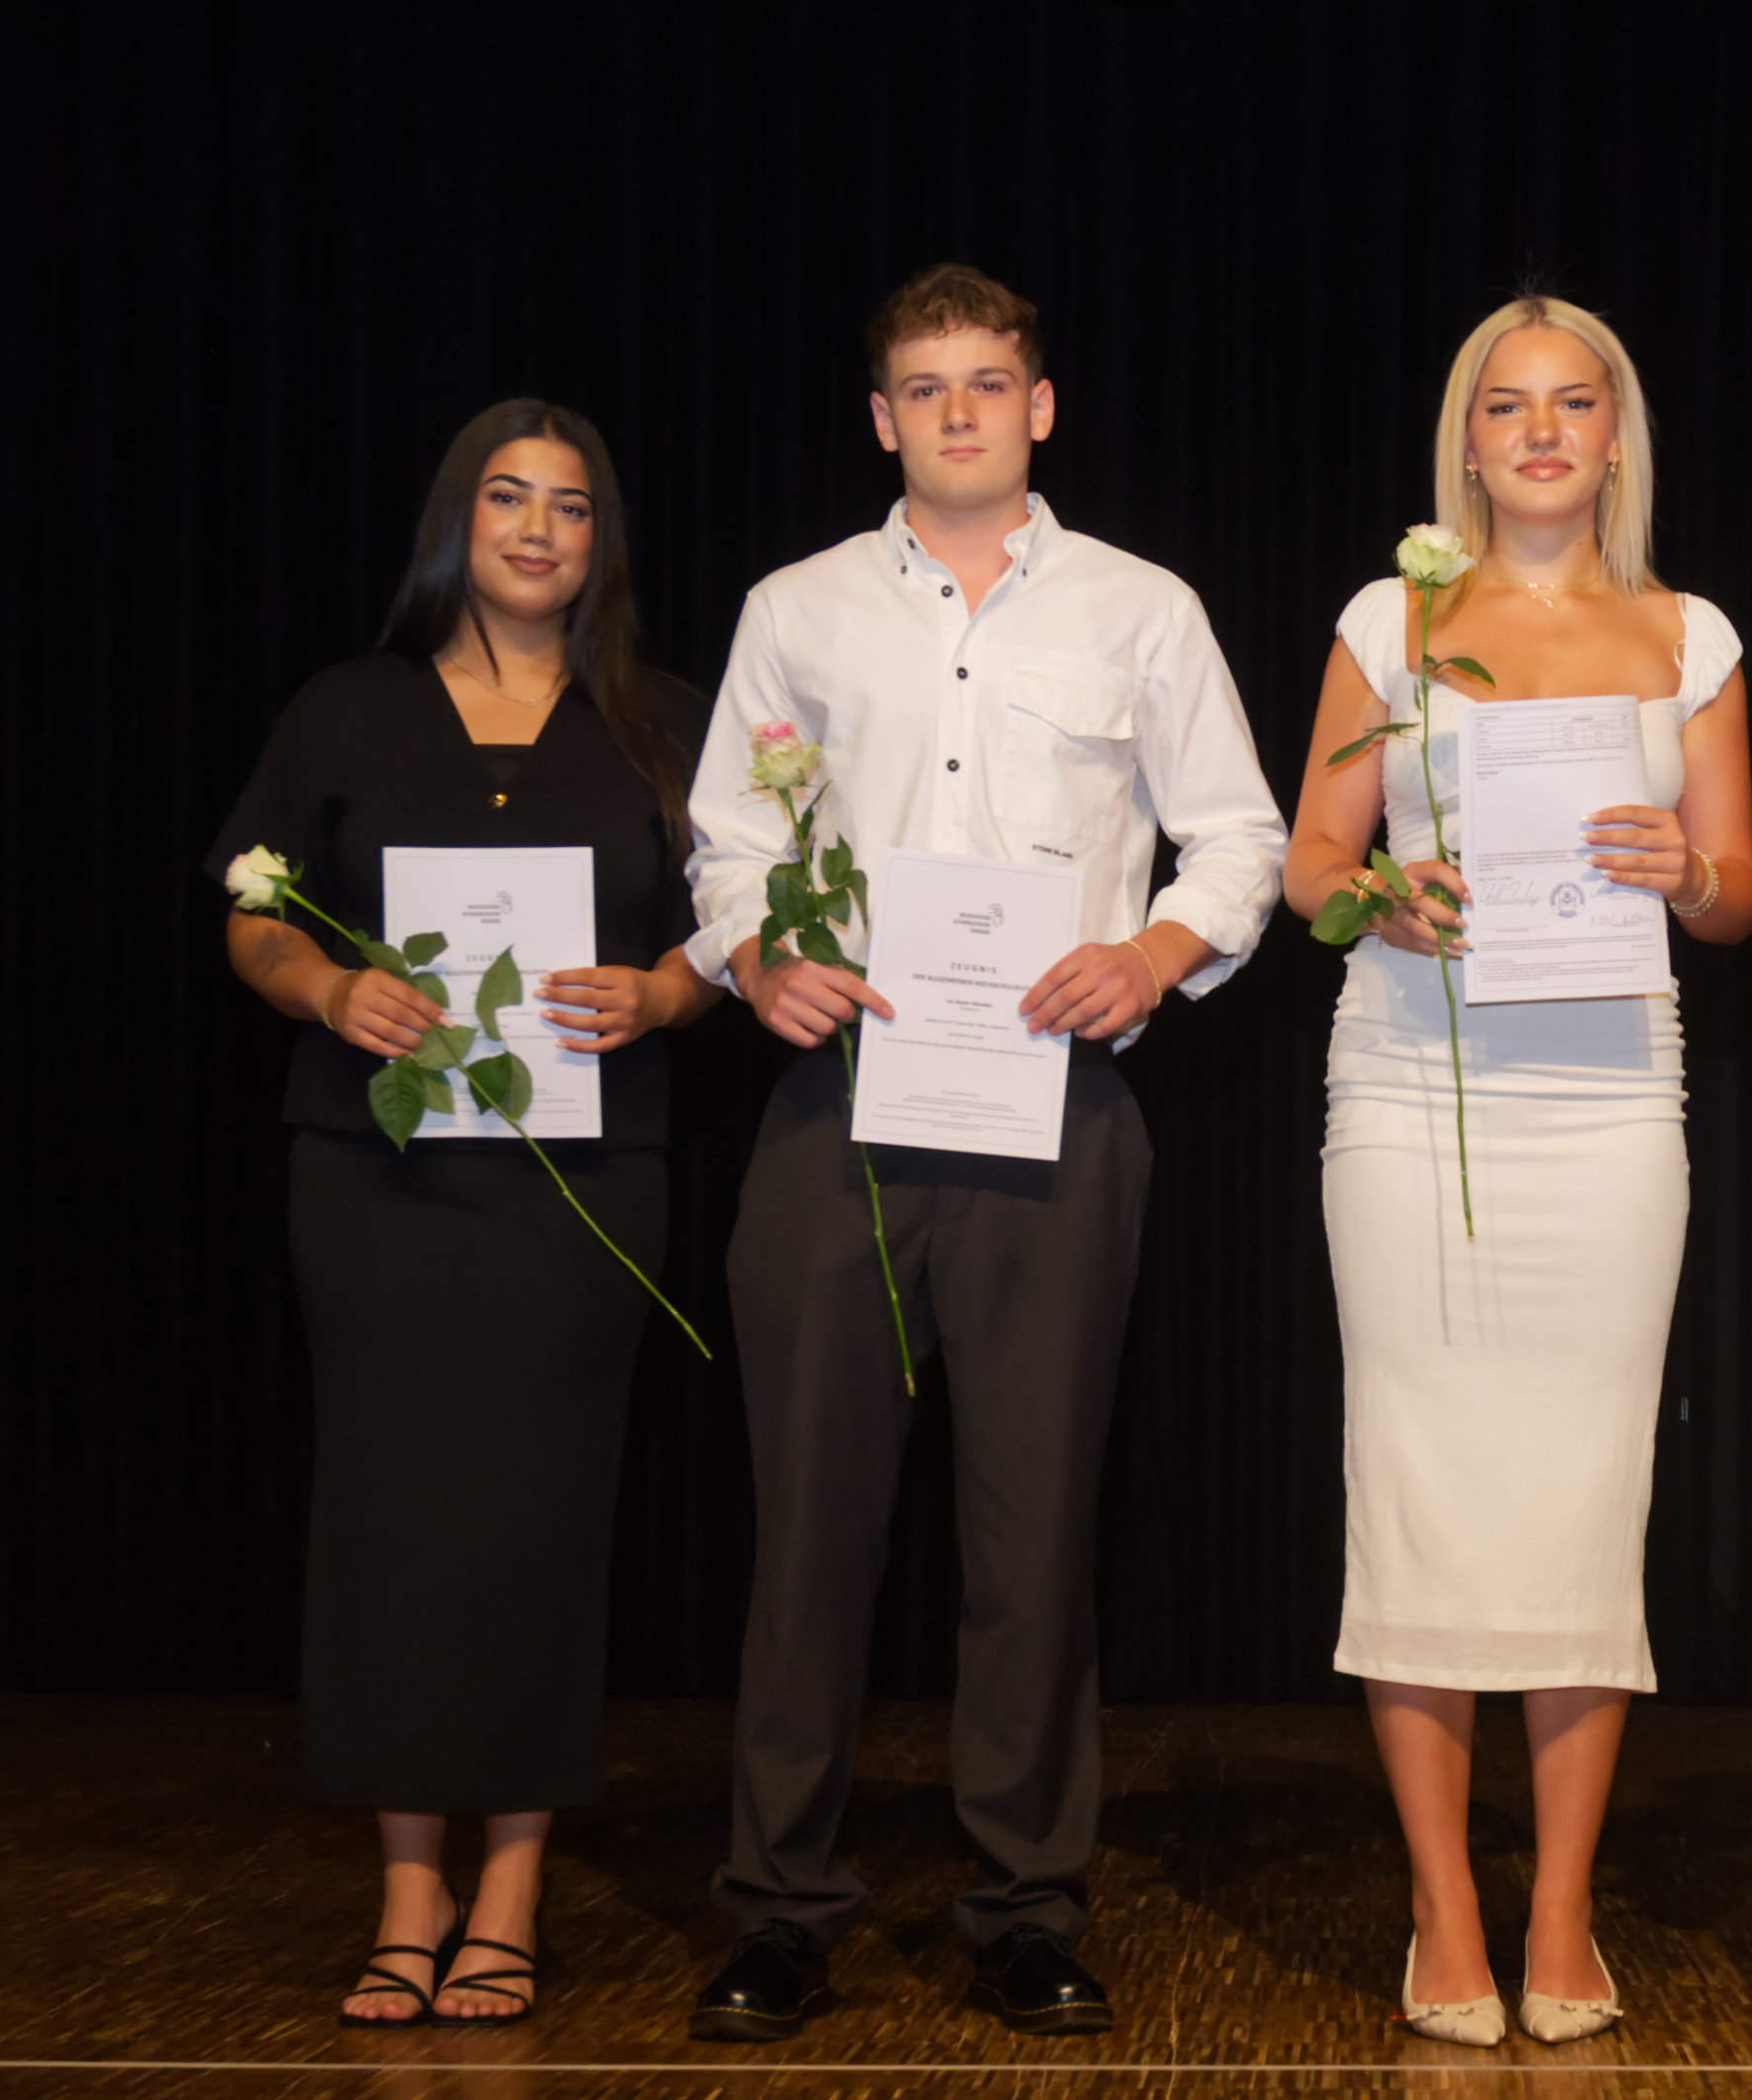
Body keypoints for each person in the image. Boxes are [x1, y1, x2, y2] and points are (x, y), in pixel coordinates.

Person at [677, 263, 1286, 2044]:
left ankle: (1026, 1907)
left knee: (1033, 1537)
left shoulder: (1141, 608)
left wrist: (1154, 955)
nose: (959, 411)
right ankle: (779, 1909)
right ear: (883, 420)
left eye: (989, 382)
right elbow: (728, 840)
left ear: (1042, 406)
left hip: (1056, 1108)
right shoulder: (795, 609)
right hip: (839, 1106)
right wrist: (755, 954)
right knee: (811, 1535)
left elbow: (1240, 837)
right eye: (926, 387)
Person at [1285, 294, 1752, 2047]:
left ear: (1617, 435)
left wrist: (1683, 870)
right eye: (1508, 406)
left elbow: (1738, 896)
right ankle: (1444, 1906)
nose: (1542, 432)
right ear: (1467, 442)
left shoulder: (1689, 635)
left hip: (1612, 1103)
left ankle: (1562, 1909)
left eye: (1575, 403)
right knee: (1417, 1480)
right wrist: (1376, 896)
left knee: (1582, 1494)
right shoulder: (1389, 619)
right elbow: (1308, 861)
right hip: (1412, 1089)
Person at [209, 399, 718, 2028]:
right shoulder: (344, 709)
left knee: (544, 1522)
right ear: (459, 521)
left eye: (570, 505)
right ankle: (407, 1889)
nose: (537, 528)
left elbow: (731, 933)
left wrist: (661, 994)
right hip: (379, 1183)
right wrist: (325, 989)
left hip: (585, 1191)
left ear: (600, 542)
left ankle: (509, 1889)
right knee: (389, 1518)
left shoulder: (664, 722)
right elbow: (251, 918)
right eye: (507, 497)